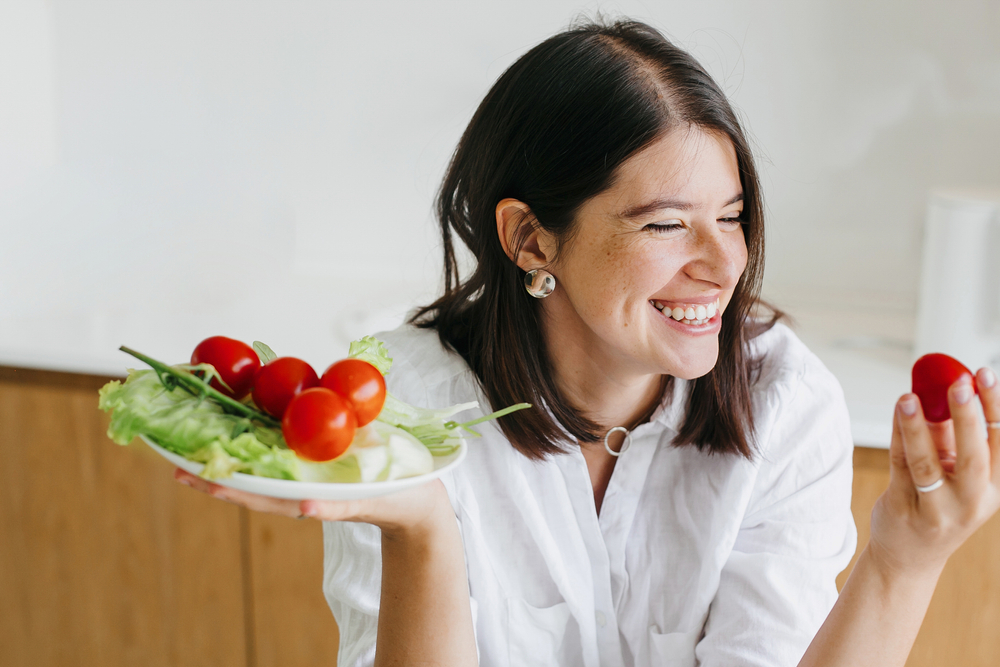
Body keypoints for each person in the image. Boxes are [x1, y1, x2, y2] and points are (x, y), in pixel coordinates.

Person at [176, 18, 1000, 667]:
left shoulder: (784, 401)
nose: (723, 264)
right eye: (668, 224)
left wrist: (902, 558)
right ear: (532, 240)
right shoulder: (402, 415)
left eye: (732, 216)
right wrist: (422, 528)